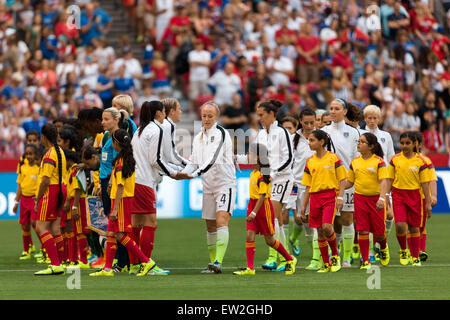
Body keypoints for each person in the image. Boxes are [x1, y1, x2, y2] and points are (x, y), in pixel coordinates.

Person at [131, 100, 189, 275]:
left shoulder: (140, 130)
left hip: (134, 180)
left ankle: (135, 264)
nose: (166, 115)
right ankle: (147, 265)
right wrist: (174, 174)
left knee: (136, 224)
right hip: (144, 182)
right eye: (164, 112)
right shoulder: (156, 130)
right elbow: (155, 160)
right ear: (158, 113)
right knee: (151, 223)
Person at [89, 129, 157, 277]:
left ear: (116, 143)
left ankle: (146, 262)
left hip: (121, 201)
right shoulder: (127, 158)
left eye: (112, 142)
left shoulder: (121, 161)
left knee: (120, 234)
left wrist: (114, 210)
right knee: (111, 233)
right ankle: (107, 269)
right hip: (121, 199)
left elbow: (120, 186)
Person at [238, 100, 294, 272]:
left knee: (276, 216)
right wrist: (232, 157)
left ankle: (280, 258)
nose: (259, 118)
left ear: (271, 114)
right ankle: (279, 257)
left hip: (281, 178)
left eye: (262, 114)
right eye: (258, 114)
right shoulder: (261, 134)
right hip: (267, 180)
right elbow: (252, 156)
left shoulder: (282, 132)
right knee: (274, 219)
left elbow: (288, 158)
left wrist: (272, 173)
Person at [182, 101, 236, 274]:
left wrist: (195, 174)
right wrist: (182, 174)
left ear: (217, 117)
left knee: (221, 221)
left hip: (224, 184)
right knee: (210, 226)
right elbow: (194, 161)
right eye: (204, 116)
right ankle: (213, 263)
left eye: (210, 116)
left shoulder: (220, 133)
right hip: (208, 186)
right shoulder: (199, 137)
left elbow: (212, 160)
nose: (206, 119)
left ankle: (218, 261)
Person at [233, 143, 297, 276]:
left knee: (270, 240)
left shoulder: (263, 174)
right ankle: (250, 268)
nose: (248, 156)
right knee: (249, 235)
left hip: (263, 208)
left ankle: (290, 259)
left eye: (250, 153)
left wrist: (254, 212)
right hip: (253, 204)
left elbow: (262, 196)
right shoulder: (254, 172)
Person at [322, 98, 362, 268]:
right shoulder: (323, 131)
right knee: (333, 222)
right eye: (331, 108)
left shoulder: (353, 133)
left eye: (336, 108)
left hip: (347, 183)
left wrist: (352, 180)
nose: (332, 111)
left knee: (347, 220)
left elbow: (356, 159)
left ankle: (346, 258)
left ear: (344, 112)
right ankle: (335, 254)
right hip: (329, 183)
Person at [300, 129, 347, 273]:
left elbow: (343, 179)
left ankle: (335, 256)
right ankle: (326, 263)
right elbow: (308, 186)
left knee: (327, 226)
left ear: (322, 142)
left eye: (312, 140)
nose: (309, 143)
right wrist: (303, 206)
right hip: (315, 198)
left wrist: (340, 197)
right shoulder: (310, 161)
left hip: (329, 196)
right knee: (320, 231)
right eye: (309, 140)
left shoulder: (333, 158)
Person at [344, 132, 391, 269]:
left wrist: (382, 198)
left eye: (362, 142)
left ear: (371, 146)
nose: (358, 144)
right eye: (358, 141)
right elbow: (349, 182)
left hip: (376, 200)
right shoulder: (355, 162)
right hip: (360, 199)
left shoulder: (379, 162)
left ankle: (383, 247)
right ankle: (365, 261)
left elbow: (383, 181)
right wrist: (337, 186)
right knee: (362, 230)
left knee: (379, 232)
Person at [386, 131, 433, 266]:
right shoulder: (395, 160)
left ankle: (415, 256)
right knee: (400, 225)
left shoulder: (421, 161)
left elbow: (425, 184)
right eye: (402, 143)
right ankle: (403, 250)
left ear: (414, 144)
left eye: (408, 143)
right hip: (399, 195)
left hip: (415, 196)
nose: (405, 146)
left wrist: (428, 203)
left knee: (414, 227)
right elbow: (389, 180)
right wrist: (385, 196)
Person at [362, 104, 396, 261]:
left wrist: (391, 176)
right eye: (369, 117)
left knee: (389, 215)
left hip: (384, 179)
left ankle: (380, 243)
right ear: (365, 119)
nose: (372, 120)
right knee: (367, 219)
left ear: (379, 119)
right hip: (366, 180)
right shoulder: (360, 134)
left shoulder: (386, 136)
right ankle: (369, 251)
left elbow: (390, 157)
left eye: (374, 118)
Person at [288, 108, 320, 270]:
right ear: (300, 121)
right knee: (302, 220)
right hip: (297, 184)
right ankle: (293, 240)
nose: (309, 126)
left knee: (315, 222)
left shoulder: (321, 138)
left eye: (311, 122)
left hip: (316, 185)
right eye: (305, 122)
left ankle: (316, 258)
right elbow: (289, 162)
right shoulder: (294, 139)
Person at [33, 123, 67, 275]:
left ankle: (55, 264)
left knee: (41, 227)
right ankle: (61, 261)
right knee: (55, 228)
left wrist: (37, 198)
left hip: (51, 191)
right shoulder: (60, 151)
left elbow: (45, 180)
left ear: (43, 137)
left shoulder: (49, 155)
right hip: (61, 188)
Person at [410, 131, 438, 262]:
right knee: (409, 225)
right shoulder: (400, 159)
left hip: (421, 197)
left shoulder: (425, 161)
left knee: (420, 225)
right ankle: (413, 250)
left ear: (419, 144)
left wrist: (433, 196)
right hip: (406, 196)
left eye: (414, 142)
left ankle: (420, 250)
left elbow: (432, 179)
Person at [13, 144, 41, 260]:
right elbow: (19, 185)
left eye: (31, 154)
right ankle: (27, 250)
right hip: (24, 199)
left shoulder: (38, 168)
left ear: (35, 155)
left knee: (35, 223)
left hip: (34, 199)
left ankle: (44, 248)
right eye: (27, 154)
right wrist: (16, 202)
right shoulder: (22, 167)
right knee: (25, 224)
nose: (29, 156)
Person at [65, 149, 90, 269]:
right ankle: (75, 260)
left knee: (80, 232)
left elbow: (78, 189)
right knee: (76, 231)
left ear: (68, 160)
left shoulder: (76, 170)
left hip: (78, 202)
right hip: (73, 201)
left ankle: (84, 261)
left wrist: (74, 207)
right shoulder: (71, 170)